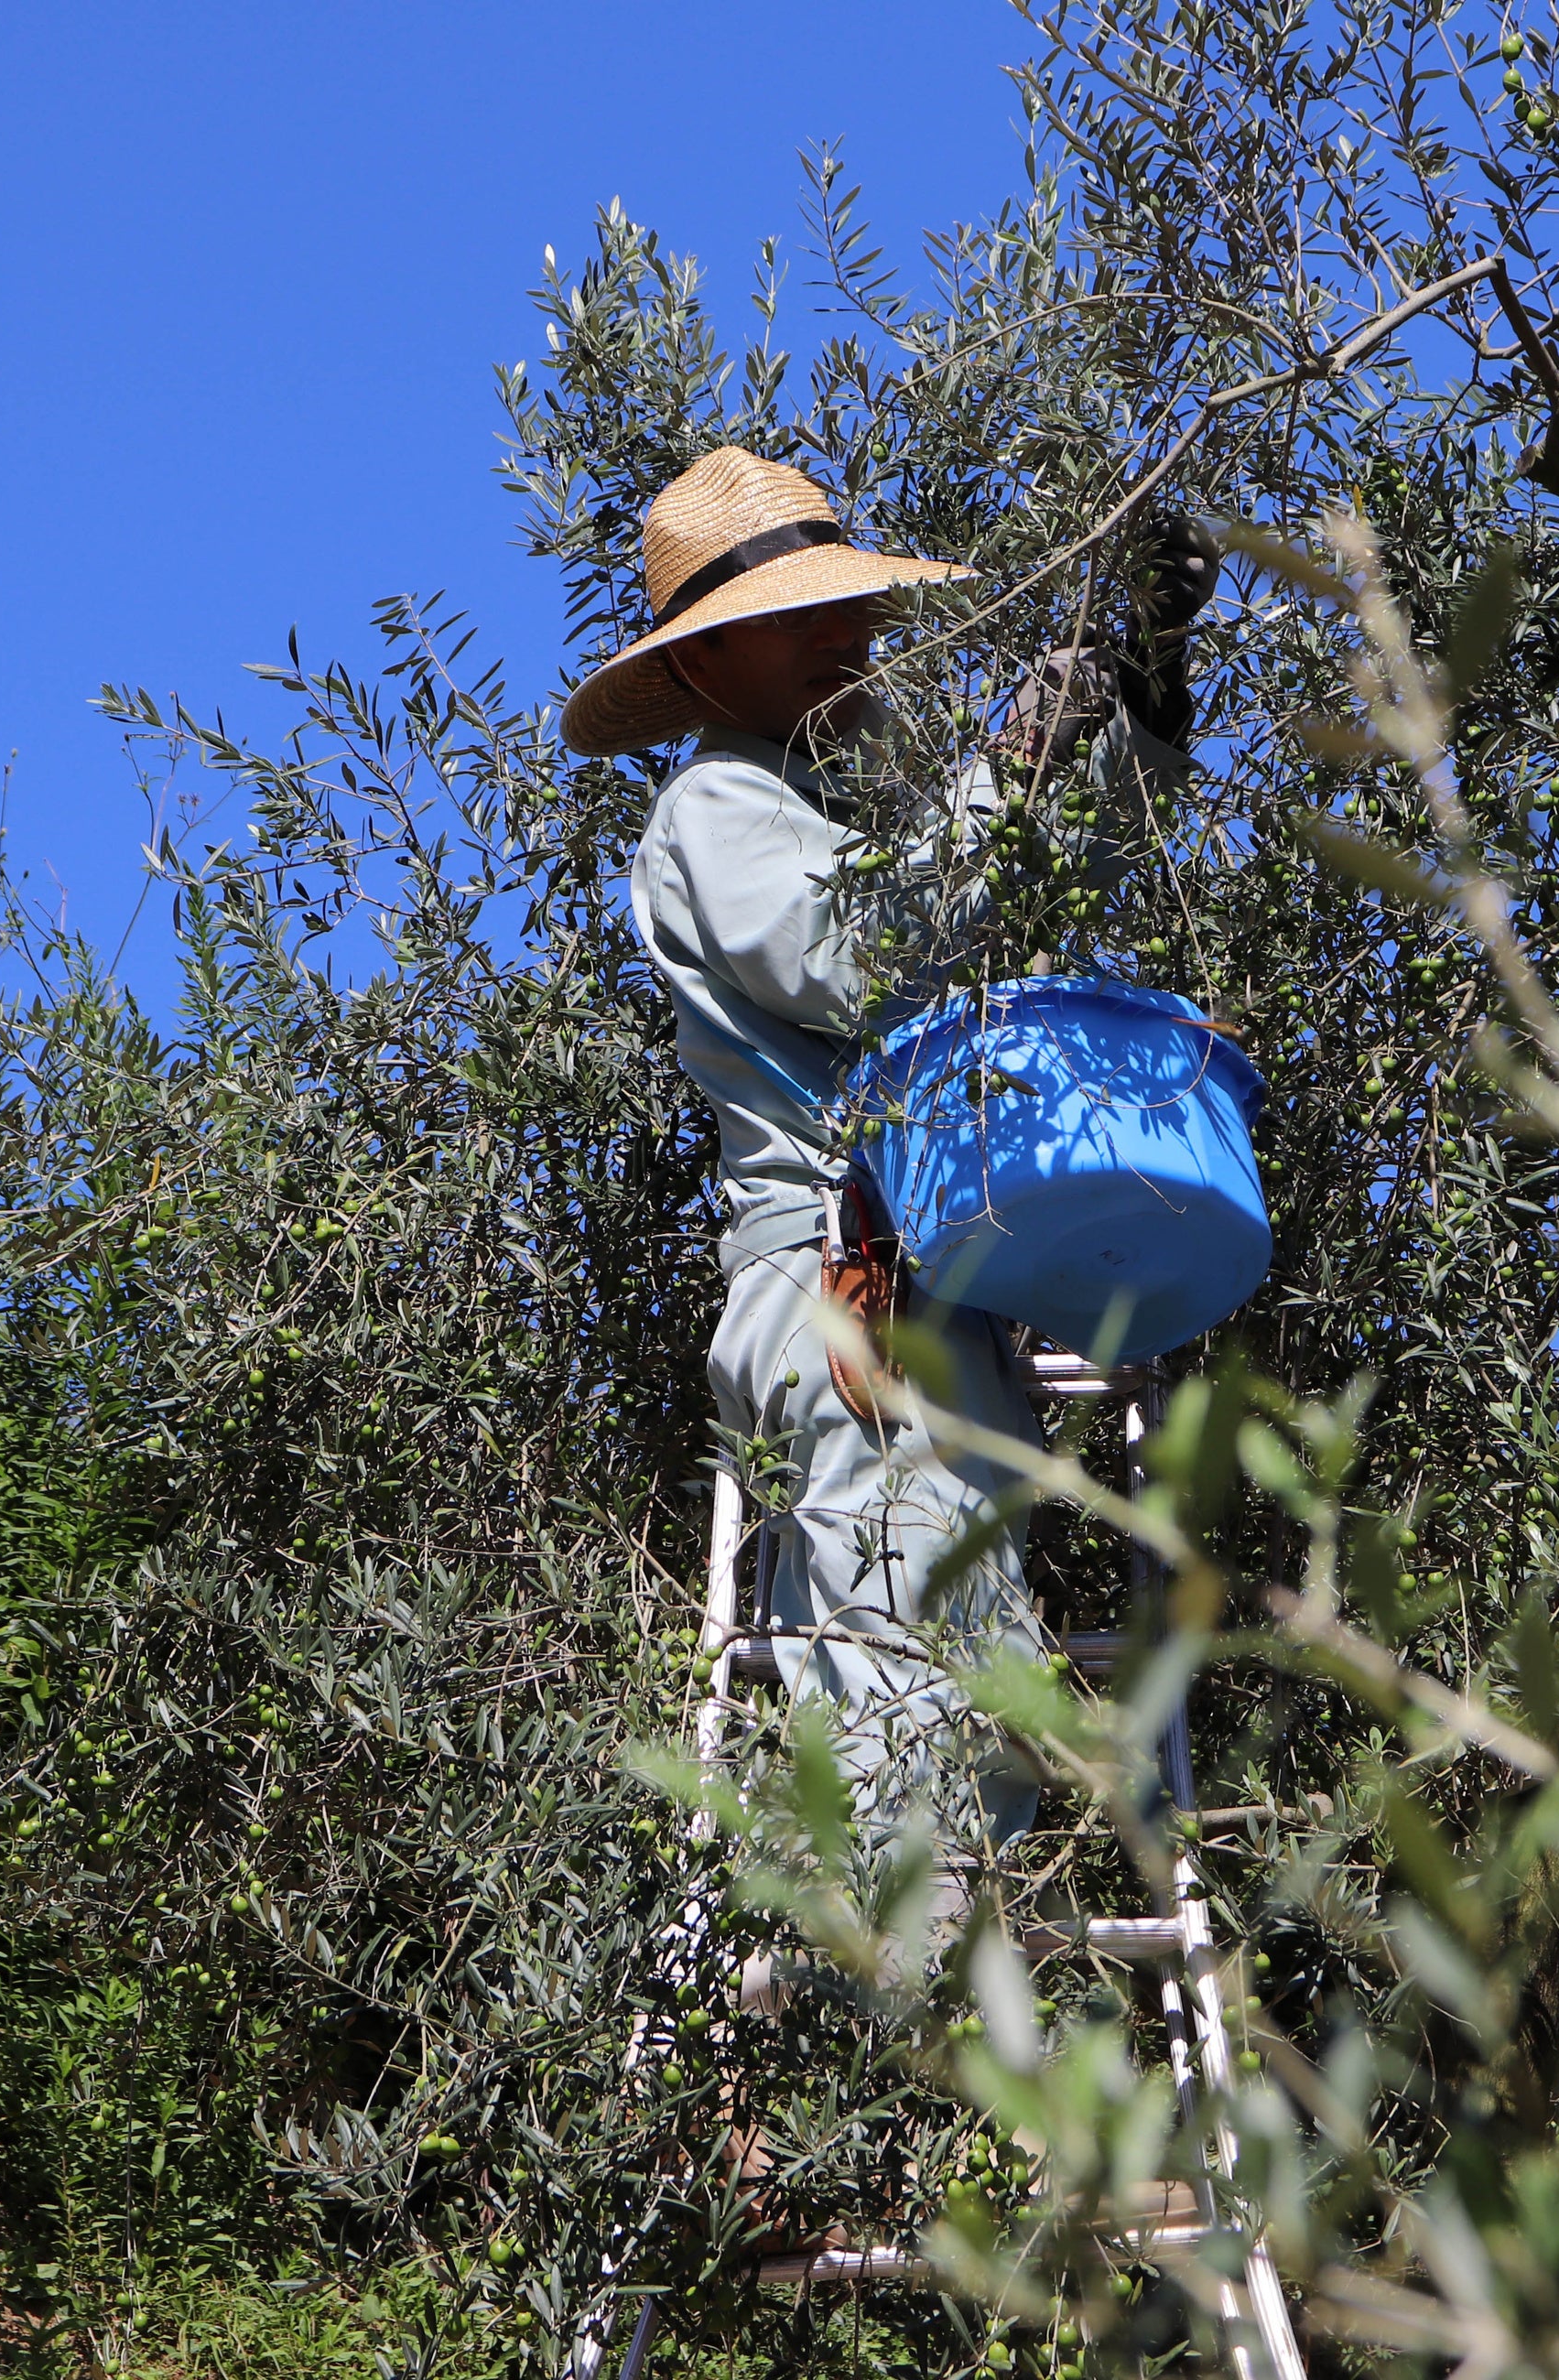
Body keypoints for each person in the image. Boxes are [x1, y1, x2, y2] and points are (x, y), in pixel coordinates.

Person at [563, 446, 1213, 1849]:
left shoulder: (834, 819)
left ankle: (906, 2027)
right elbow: (872, 959)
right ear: (698, 672)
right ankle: (886, 2020)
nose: (841, 640)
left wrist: (1140, 709)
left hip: (924, 1297)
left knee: (943, 1668)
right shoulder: (722, 809)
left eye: (847, 610)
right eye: (792, 620)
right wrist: (1008, 768)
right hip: (842, 1288)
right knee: (907, 1672)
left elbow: (1015, 899)